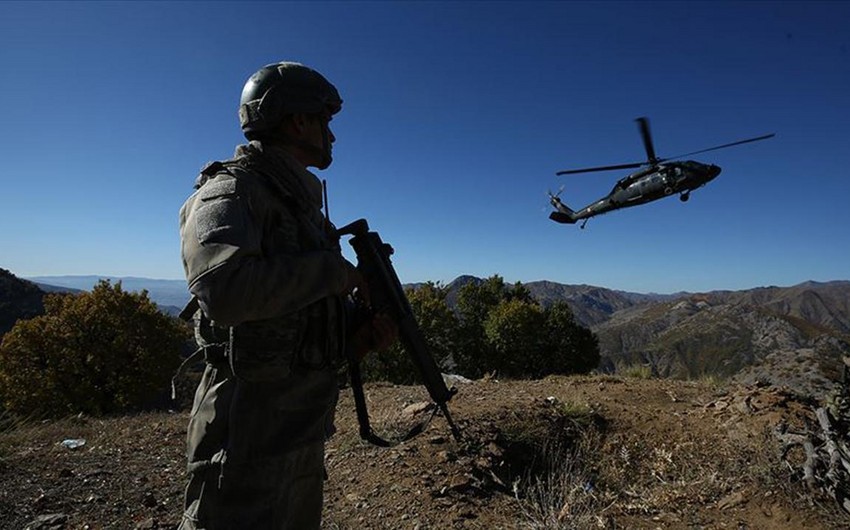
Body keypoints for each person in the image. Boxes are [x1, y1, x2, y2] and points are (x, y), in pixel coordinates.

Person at [177, 61, 395, 529]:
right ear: (298, 120)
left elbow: (296, 313)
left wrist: (357, 332)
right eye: (325, 122)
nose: (332, 137)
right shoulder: (228, 193)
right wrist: (335, 272)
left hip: (299, 429)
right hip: (244, 438)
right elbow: (227, 292)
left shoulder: (300, 207)